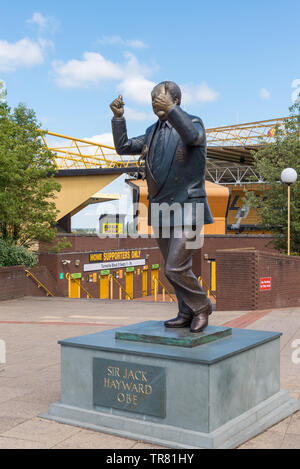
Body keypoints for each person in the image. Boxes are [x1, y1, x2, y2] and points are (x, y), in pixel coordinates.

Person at [110, 81, 214, 332]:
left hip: (189, 207)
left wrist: (173, 112)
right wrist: (119, 118)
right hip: (160, 208)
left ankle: (201, 307)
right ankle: (185, 312)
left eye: (161, 97)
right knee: (173, 269)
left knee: (175, 267)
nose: (156, 100)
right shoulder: (151, 131)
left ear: (176, 100)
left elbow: (193, 137)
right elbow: (123, 147)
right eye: (153, 97)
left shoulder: (193, 122)